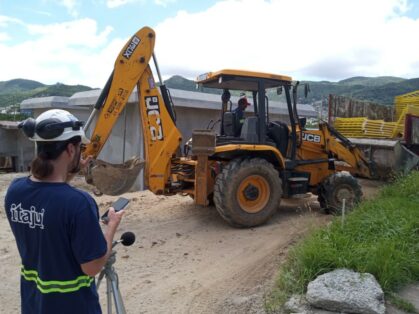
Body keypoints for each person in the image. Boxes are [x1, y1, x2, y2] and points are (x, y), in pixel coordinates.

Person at [4, 109, 124, 314]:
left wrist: (71, 171)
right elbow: (92, 267)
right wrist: (111, 227)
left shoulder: (15, 191)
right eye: (80, 148)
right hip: (72, 306)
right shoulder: (79, 204)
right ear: (70, 149)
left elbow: (49, 193)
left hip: (35, 304)